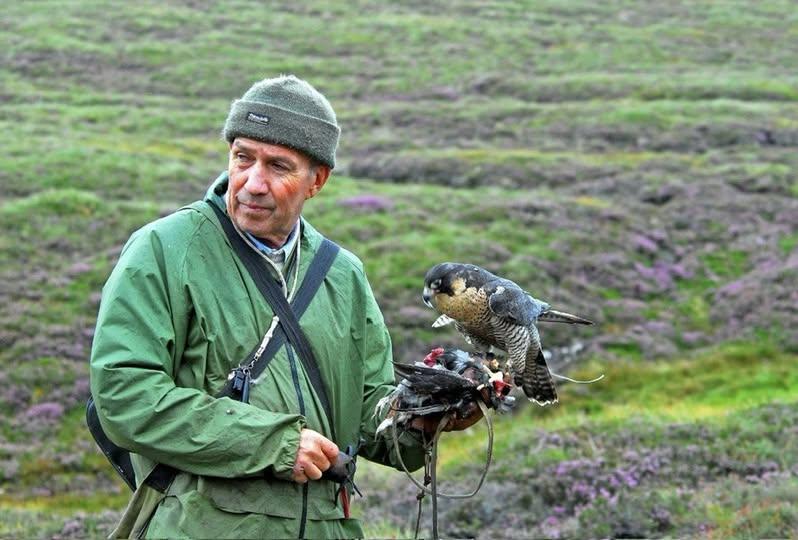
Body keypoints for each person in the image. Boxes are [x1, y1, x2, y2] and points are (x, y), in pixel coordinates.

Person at [89, 75, 480, 539]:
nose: (253, 183)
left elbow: (369, 417)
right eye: (242, 158)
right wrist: (274, 443)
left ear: (317, 180)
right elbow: (125, 393)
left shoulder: (343, 274)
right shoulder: (165, 250)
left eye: (278, 166)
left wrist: (428, 416)